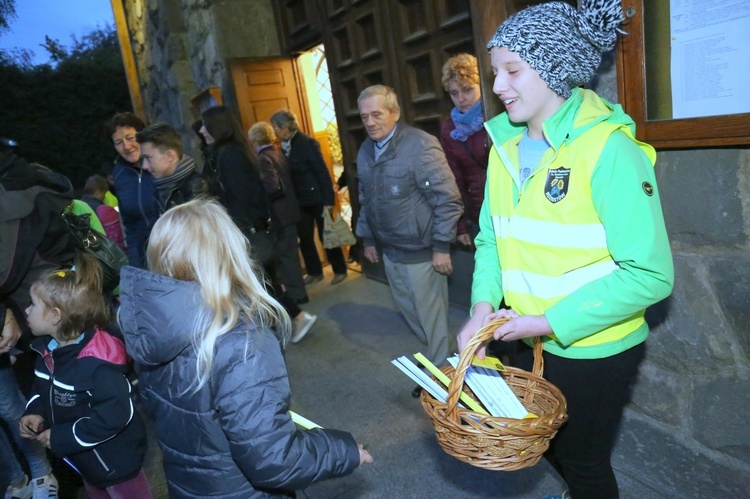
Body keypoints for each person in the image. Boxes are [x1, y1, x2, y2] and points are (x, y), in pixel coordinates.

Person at [455, 2, 674, 497]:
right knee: (544, 442)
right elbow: (492, 239)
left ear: (554, 68)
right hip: (522, 334)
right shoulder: (503, 148)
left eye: (513, 70)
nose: (497, 87)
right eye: (495, 72)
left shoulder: (607, 149)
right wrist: (483, 306)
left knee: (583, 461)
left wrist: (545, 323)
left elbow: (650, 275)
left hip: (593, 346)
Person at [118, 199, 373, 497]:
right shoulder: (241, 342)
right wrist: (343, 452)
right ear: (228, 251)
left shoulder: (150, 331)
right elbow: (273, 460)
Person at [355, 85, 463, 397]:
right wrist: (368, 239)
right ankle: (438, 358)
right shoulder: (365, 151)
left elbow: (448, 200)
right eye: (365, 117)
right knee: (413, 315)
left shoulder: (420, 146)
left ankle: (441, 376)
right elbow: (366, 199)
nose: (371, 122)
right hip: (391, 251)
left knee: (432, 319)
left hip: (422, 252)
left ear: (395, 113)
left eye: (377, 114)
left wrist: (442, 246)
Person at [19, 253, 151, 499]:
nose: (26, 311)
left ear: (56, 315)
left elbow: (114, 416)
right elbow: (41, 389)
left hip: (117, 465)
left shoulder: (97, 368)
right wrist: (34, 410)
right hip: (84, 461)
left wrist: (62, 437)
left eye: (33, 305)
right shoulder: (46, 352)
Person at [201, 106, 316, 343]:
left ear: (217, 126)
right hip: (252, 230)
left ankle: (288, 322)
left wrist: (238, 232)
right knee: (265, 283)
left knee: (260, 285)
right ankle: (293, 318)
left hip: (249, 232)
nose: (202, 130)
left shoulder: (229, 155)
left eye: (205, 124)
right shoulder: (230, 152)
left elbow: (241, 197)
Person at [1, 147, 71, 499]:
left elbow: (4, 271)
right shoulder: (31, 177)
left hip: (49, 309)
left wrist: (10, 313)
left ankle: (64, 468)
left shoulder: (12, 195)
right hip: (59, 302)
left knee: (64, 384)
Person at [269, 109, 348, 286]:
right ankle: (314, 271)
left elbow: (322, 171)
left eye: (276, 127)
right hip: (299, 200)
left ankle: (340, 269)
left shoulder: (307, 143)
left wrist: (328, 200)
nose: (274, 131)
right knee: (304, 237)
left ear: (285, 127)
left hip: (316, 197)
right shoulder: (283, 145)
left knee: (326, 235)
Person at [248, 121, 309, 305]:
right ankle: (299, 292)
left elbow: (272, 186)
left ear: (256, 139)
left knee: (285, 256)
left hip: (279, 214)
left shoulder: (263, 158)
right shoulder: (277, 152)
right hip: (290, 210)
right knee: (291, 254)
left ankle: (296, 295)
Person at [440, 53, 489, 247]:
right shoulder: (449, 129)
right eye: (454, 93)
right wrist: (461, 225)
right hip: (479, 214)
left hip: (513, 207)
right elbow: (454, 179)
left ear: (481, 85)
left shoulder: (498, 111)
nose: (461, 99)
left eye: (468, 90)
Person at [106, 112, 160, 268]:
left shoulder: (160, 162)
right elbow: (130, 225)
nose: (126, 147)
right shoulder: (119, 175)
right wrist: (135, 265)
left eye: (130, 138)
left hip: (173, 247)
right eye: (118, 142)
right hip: (143, 254)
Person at [135, 122, 211, 212]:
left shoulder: (196, 187)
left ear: (169, 156)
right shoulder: (160, 187)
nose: (144, 166)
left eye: (148, 158)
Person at [81, 175, 126, 251]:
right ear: (98, 193)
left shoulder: (80, 204)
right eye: (104, 194)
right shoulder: (99, 208)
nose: (104, 197)